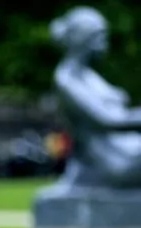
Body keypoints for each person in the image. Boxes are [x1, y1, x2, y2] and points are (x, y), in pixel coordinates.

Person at [46, 6, 141, 192]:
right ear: (82, 38)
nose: (104, 42)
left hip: (126, 149)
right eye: (99, 36)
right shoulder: (66, 80)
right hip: (112, 160)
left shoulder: (89, 76)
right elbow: (107, 120)